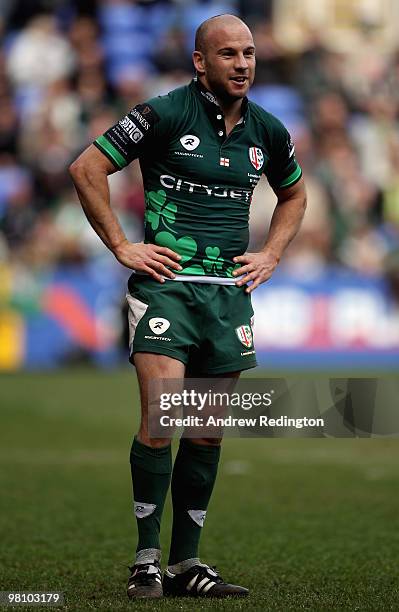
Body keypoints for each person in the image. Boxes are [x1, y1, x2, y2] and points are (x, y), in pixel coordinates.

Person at [69, 13, 306, 600]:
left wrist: (271, 254)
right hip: (166, 286)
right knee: (163, 418)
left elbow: (295, 194)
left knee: (204, 434)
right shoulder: (162, 113)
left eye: (249, 53)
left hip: (228, 294)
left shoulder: (269, 131)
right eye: (228, 54)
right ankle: (145, 559)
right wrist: (123, 246)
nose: (243, 64)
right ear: (201, 61)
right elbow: (86, 167)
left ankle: (185, 565)